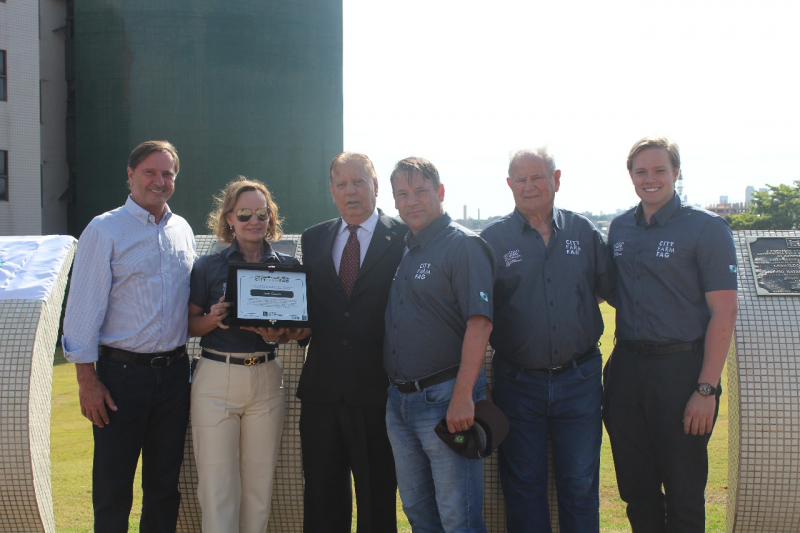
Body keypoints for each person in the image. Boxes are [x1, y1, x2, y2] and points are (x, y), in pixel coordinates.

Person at [603, 136, 738, 532]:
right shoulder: (620, 227)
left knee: (684, 492)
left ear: (676, 172)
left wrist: (706, 389)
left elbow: (724, 310)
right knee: (636, 490)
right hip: (626, 369)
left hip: (681, 371)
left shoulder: (707, 228)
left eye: (660, 170)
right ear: (631, 175)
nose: (650, 179)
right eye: (641, 171)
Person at [62, 140, 196, 532]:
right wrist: (87, 380)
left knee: (164, 487)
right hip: (120, 378)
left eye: (167, 173)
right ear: (130, 175)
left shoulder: (182, 230)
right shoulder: (104, 229)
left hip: (175, 375)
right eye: (150, 172)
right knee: (113, 487)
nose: (159, 181)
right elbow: (83, 308)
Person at [481, 148, 614, 532]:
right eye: (520, 179)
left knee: (580, 482)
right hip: (517, 384)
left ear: (555, 180)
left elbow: (606, 290)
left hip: (580, 381)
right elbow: (476, 314)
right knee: (523, 485)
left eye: (537, 177)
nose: (529, 186)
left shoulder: (583, 231)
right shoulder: (492, 240)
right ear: (509, 185)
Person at [188, 176, 307, 532]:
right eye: (244, 214)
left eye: (261, 213)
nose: (254, 221)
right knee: (217, 487)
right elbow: (190, 324)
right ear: (229, 218)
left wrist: (280, 335)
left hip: (267, 378)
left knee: (259, 487)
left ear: (271, 217)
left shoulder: (289, 266)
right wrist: (211, 319)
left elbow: (301, 329)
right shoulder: (208, 266)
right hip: (216, 378)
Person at [383, 156, 496, 532]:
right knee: (419, 514)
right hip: (400, 403)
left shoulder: (463, 246)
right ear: (395, 201)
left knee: (458, 518)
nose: (411, 200)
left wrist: (463, 396)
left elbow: (480, 323)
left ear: (441, 192)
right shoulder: (408, 247)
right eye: (402, 194)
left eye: (420, 191)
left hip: (445, 401)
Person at [297, 152, 406, 533]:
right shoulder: (313, 238)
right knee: (321, 502)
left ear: (375, 186)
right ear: (332, 191)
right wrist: (292, 329)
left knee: (377, 502)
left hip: (378, 393)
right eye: (341, 184)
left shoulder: (404, 237)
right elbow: (309, 308)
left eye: (359, 182)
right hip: (321, 393)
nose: (351, 191)